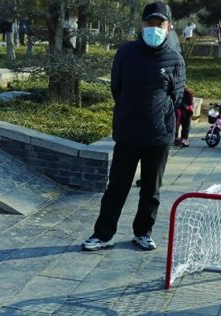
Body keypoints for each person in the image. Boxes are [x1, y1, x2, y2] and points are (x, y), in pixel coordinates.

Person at [81, 2, 185, 252]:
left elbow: (176, 96)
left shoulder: (174, 58)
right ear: (142, 24)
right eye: (150, 23)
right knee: (116, 188)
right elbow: (116, 87)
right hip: (128, 134)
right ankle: (103, 234)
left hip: (158, 137)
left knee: (151, 190)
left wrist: (158, 117)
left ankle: (143, 233)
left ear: (169, 26)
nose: (154, 28)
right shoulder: (126, 52)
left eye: (160, 24)